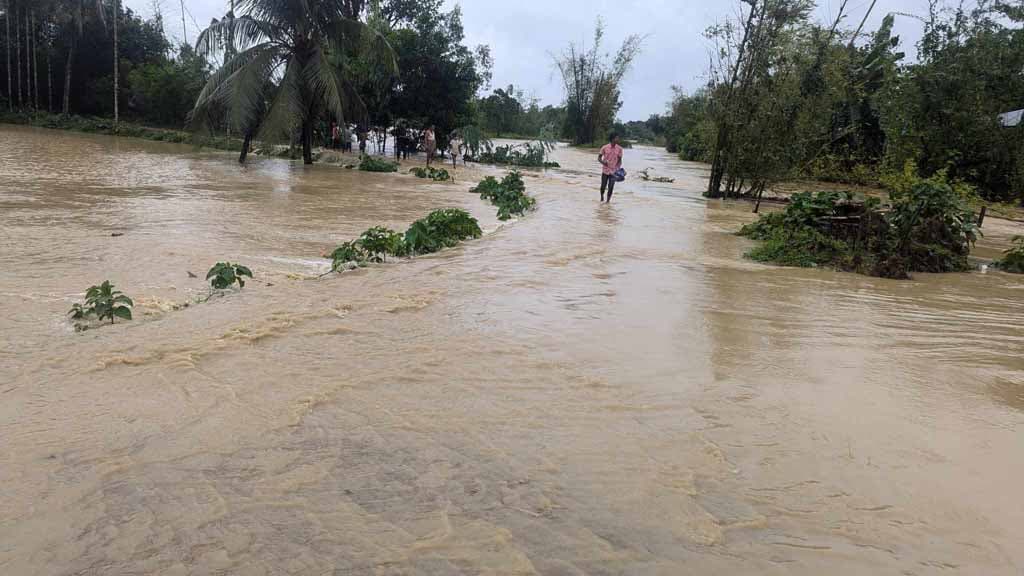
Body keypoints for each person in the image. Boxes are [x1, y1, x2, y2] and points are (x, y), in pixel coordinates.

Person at [598, 132, 624, 203]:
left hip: (614, 172)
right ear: (612, 139)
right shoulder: (604, 147)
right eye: (617, 138)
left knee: (611, 187)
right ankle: (602, 198)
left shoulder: (620, 149)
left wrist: (618, 169)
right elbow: (599, 158)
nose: (618, 139)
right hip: (605, 170)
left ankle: (607, 202)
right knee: (603, 186)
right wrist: (603, 163)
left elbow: (619, 160)